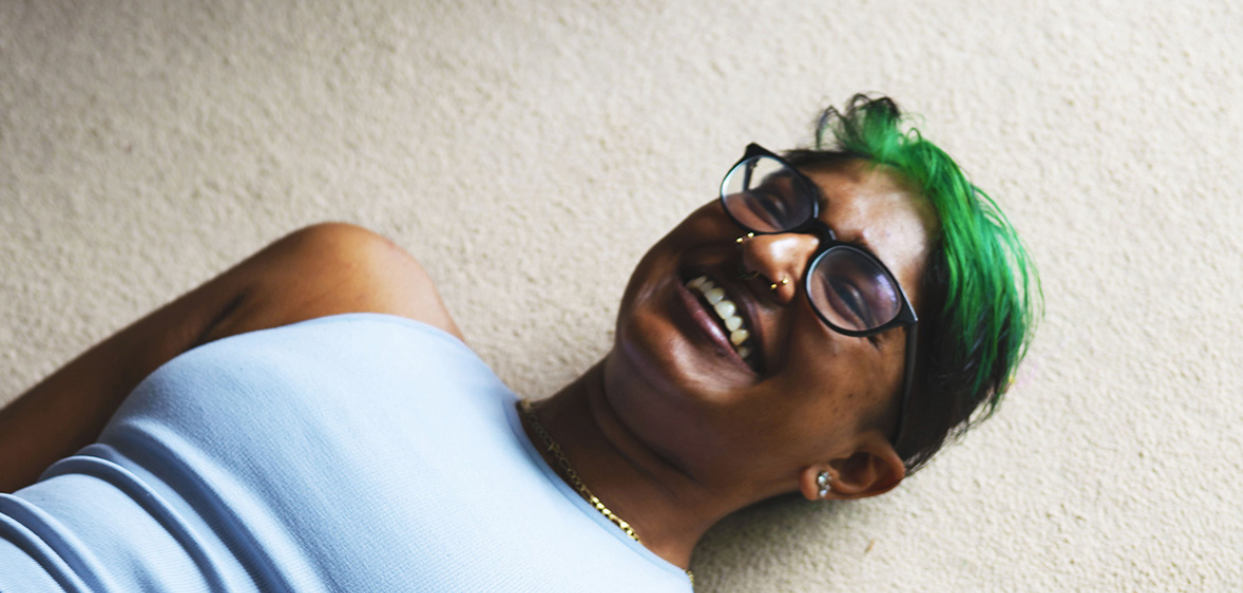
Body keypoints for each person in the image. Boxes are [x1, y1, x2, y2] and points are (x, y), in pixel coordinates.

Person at [0, 94, 1038, 592]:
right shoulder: (342, 284)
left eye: (851, 285)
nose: (770, 251)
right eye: (781, 201)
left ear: (853, 466)